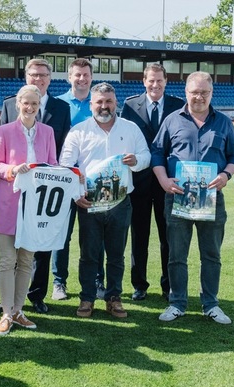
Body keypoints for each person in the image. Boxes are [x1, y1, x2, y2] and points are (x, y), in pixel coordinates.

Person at [151, 71, 234, 325]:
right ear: (186, 93)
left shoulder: (223, 122)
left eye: (204, 92)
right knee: (176, 255)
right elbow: (157, 153)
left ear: (211, 94)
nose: (199, 97)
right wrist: (163, 180)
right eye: (195, 92)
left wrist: (226, 175)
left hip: (212, 198)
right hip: (178, 197)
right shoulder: (172, 120)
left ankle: (210, 304)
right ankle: (177, 303)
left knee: (211, 255)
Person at [59, 82, 151, 318]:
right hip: (89, 202)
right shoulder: (79, 130)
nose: (104, 106)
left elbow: (146, 156)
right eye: (99, 102)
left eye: (108, 101)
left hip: (120, 202)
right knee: (89, 254)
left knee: (116, 254)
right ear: (91, 104)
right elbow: (66, 166)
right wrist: (75, 195)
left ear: (115, 103)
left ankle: (114, 297)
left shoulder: (130, 128)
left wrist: (136, 161)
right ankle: (87, 298)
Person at [0, 58, 71, 313]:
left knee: (34, 252)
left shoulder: (59, 114)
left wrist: (66, 176)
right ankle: (8, 304)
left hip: (42, 196)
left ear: (49, 79)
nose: (38, 79)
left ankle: (33, 298)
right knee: (10, 255)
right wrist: (11, 170)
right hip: (12, 196)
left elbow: (58, 156)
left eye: (43, 75)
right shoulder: (8, 111)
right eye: (33, 74)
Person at [0, 84, 58, 335]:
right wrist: (12, 170)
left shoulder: (48, 132)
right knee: (7, 260)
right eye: (25, 103)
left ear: (39, 106)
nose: (30, 108)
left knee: (26, 260)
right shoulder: (4, 131)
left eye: (34, 104)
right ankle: (6, 312)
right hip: (8, 203)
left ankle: (18, 310)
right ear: (17, 104)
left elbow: (53, 164)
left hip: (36, 207)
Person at [121, 63, 185, 302]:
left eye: (159, 80)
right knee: (139, 235)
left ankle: (168, 286)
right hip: (138, 180)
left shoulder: (178, 105)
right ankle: (139, 284)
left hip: (168, 180)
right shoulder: (130, 104)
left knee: (168, 235)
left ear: (166, 81)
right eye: (151, 80)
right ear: (143, 81)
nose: (155, 85)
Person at [52, 57, 95, 301]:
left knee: (93, 236)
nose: (81, 79)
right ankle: (59, 283)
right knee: (62, 235)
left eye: (85, 75)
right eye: (77, 75)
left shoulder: (99, 103)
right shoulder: (59, 104)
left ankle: (96, 280)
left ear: (91, 77)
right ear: (69, 77)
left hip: (92, 181)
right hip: (65, 178)